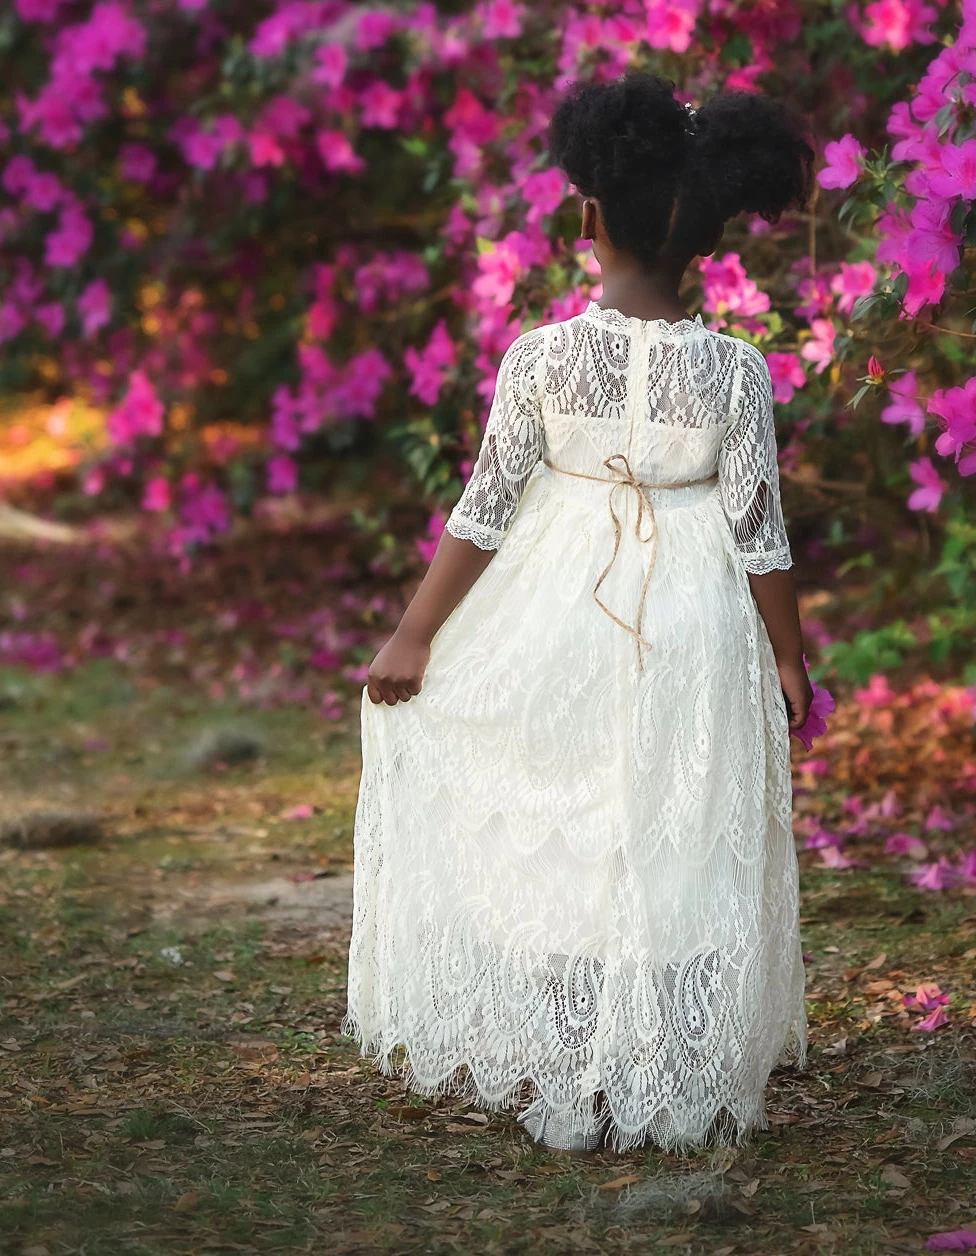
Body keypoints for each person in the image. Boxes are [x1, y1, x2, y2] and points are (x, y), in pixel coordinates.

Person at [345, 70, 815, 1152]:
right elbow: (757, 530)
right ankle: (650, 1043)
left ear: (587, 214)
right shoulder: (735, 373)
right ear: (702, 232)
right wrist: (787, 657)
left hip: (557, 606)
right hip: (694, 614)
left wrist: (417, 632)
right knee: (671, 809)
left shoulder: (543, 357)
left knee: (569, 799)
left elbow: (487, 505)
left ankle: (584, 1043)